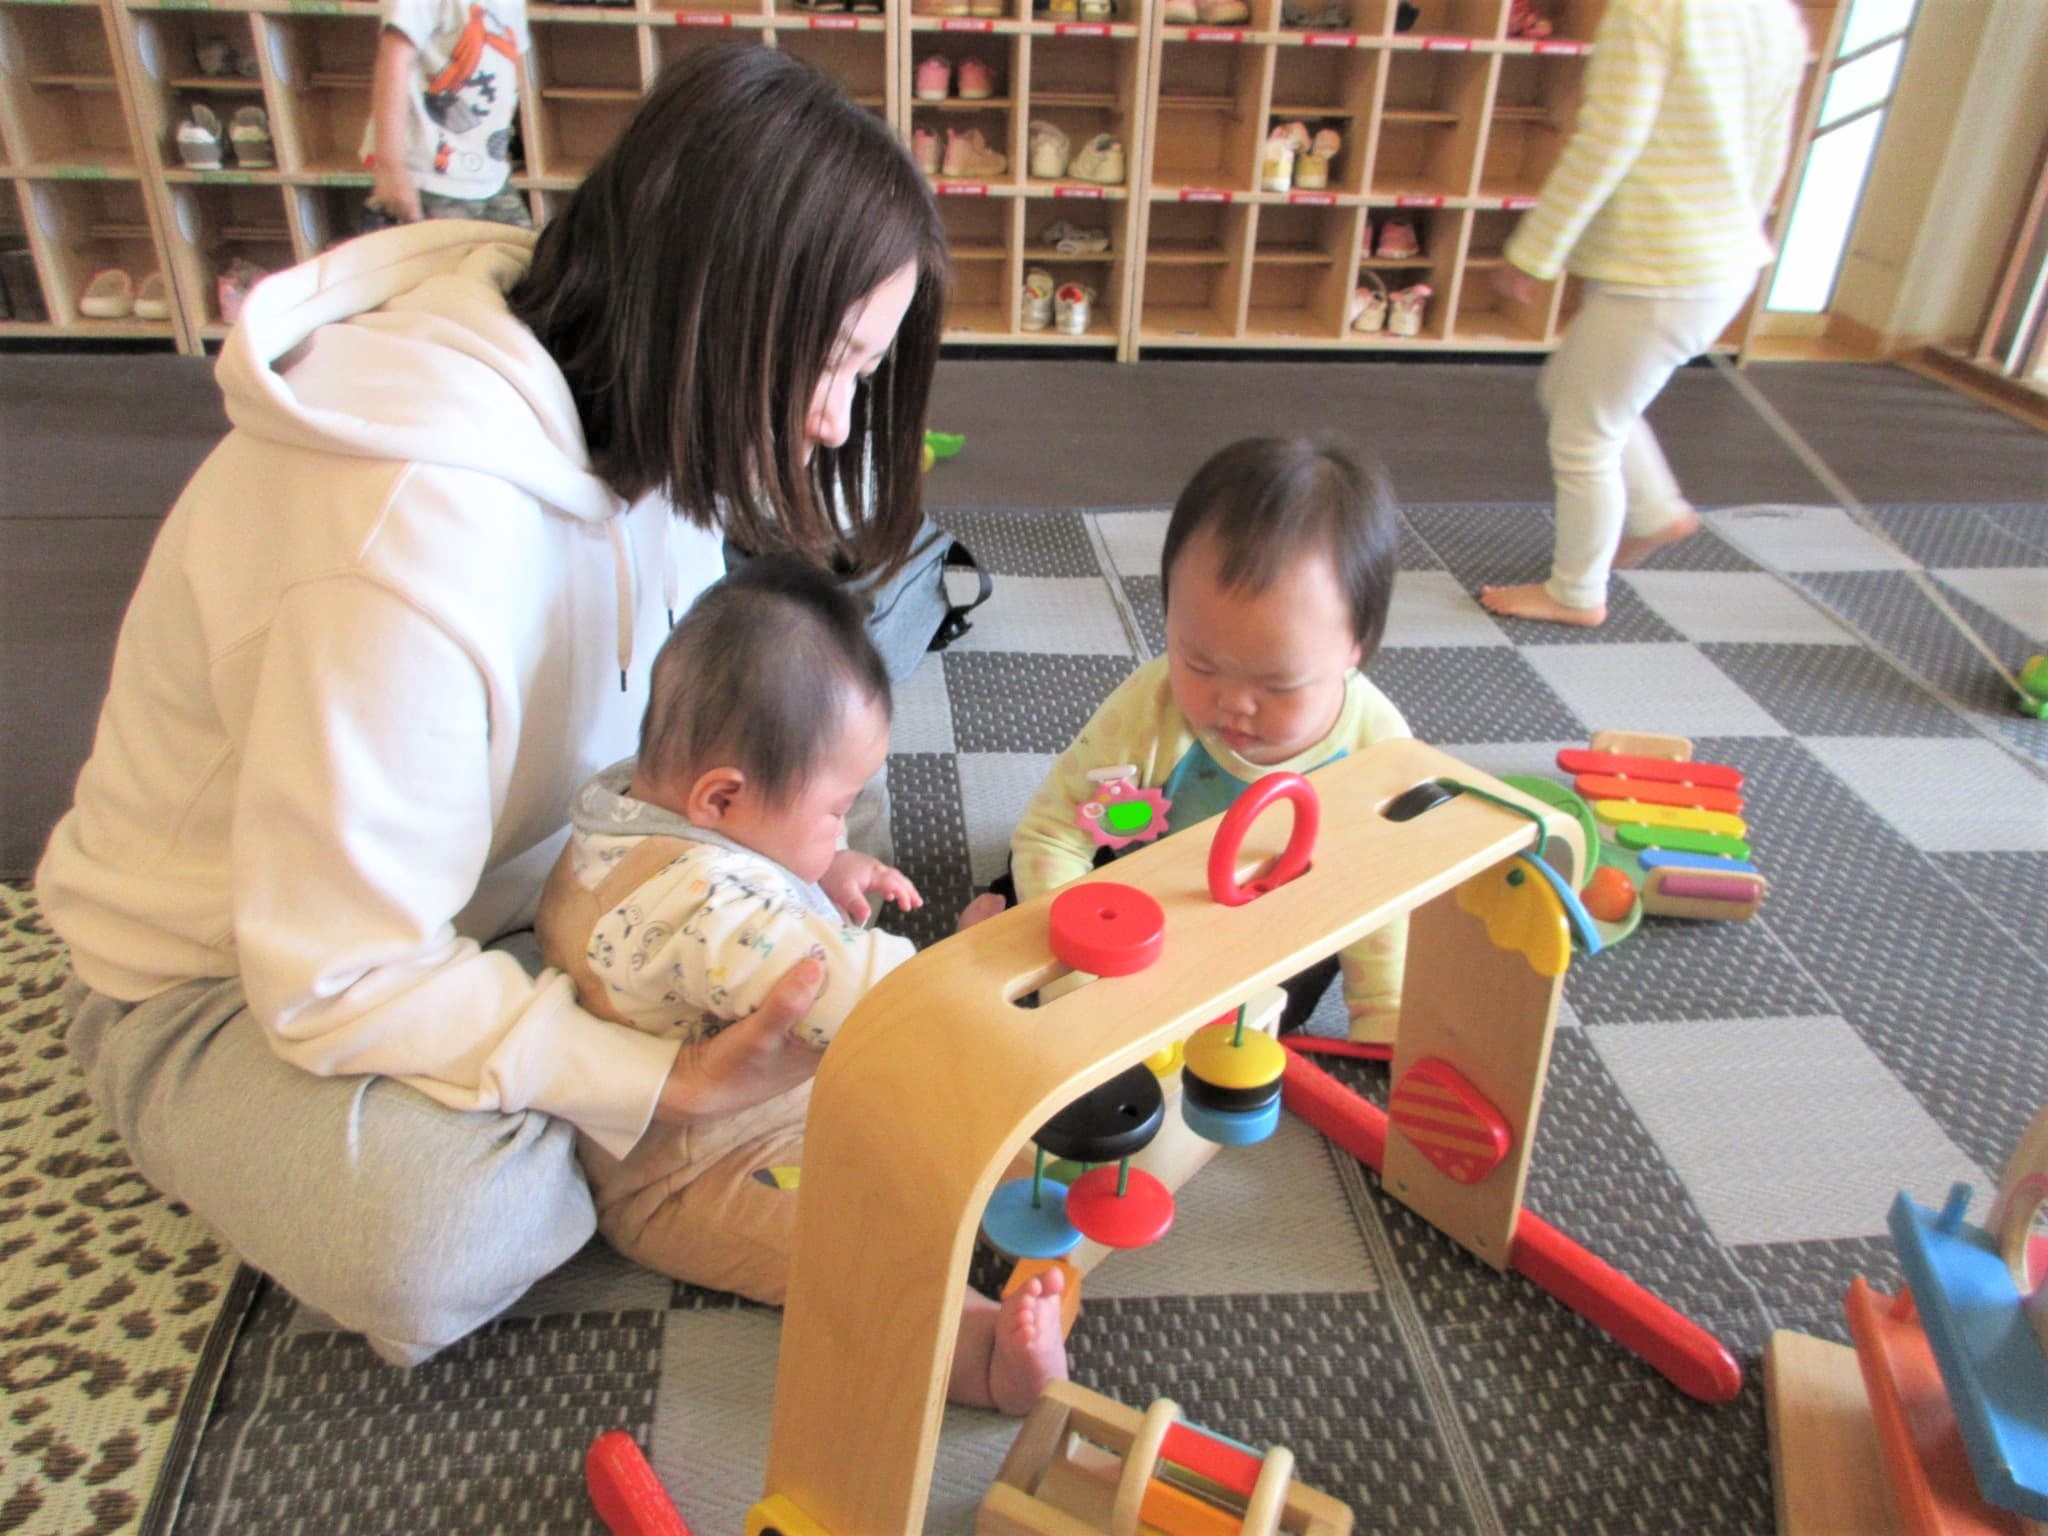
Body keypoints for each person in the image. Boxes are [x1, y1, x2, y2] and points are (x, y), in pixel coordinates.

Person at [36, 44, 949, 1367]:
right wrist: (661, 1079)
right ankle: (560, 1089)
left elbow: (669, 764)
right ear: (719, 319)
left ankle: (578, 1049)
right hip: (230, 980)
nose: (833, 424)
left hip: (518, 893)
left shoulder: (644, 418)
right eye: (836, 366)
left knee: (801, 837)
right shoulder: (404, 534)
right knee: (458, 1227)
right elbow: (337, 973)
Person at [535, 556, 1066, 1413]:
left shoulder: (635, 809)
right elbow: (850, 988)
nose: (843, 826)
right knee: (848, 1249)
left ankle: (1030, 1189)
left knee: (953, 1120)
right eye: (835, 811)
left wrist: (827, 865)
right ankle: (980, 1352)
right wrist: (974, 981)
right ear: (722, 798)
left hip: (788, 1082)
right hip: (693, 1166)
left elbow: (749, 876)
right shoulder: (689, 902)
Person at [999, 436, 1410, 1043]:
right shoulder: (1150, 708)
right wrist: (1079, 983)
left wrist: (1383, 1012)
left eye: (1277, 683)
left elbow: (1384, 888)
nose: (1234, 703)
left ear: (1357, 645)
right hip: (1139, 910)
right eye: (1199, 663)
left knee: (1289, 986)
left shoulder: (1379, 744)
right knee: (1030, 894)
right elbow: (1051, 833)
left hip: (1273, 935)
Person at [1479, 0, 1807, 627]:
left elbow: (1607, 139)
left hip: (1660, 265)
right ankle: (1655, 513)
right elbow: (1772, 146)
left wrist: (1535, 251)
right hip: (1722, 260)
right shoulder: (1774, 13)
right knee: (1574, 391)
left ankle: (1575, 592)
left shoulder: (1652, 9)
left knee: (1585, 432)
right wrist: (1733, 230)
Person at [362, 0, 532, 230]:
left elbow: (512, 60)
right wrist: (390, 167)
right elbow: (394, 58)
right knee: (444, 251)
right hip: (428, 176)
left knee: (526, 248)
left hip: (490, 175)